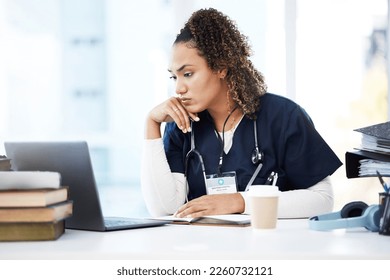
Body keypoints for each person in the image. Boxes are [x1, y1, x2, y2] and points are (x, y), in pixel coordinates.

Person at [141, 8, 342, 219]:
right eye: (174, 77)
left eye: (188, 74)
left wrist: (240, 201)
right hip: (202, 248)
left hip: (267, 247)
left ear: (221, 68)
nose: (178, 89)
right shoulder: (181, 125)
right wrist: (151, 124)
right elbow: (164, 209)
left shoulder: (283, 117)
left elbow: (322, 200)